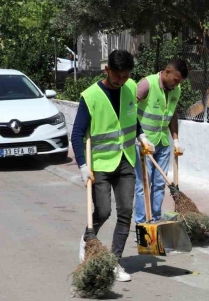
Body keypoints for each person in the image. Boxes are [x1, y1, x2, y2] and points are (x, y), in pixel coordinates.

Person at [71, 50, 155, 282]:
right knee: (104, 211)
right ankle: (88, 239)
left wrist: (142, 136)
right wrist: (82, 165)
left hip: (126, 159)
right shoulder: (90, 96)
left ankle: (114, 263)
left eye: (126, 76)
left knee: (126, 211)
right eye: (117, 75)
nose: (121, 81)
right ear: (107, 70)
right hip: (100, 163)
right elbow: (77, 134)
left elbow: (131, 118)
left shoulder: (130, 88)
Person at [134, 58, 188, 224]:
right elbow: (128, 109)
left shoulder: (176, 89)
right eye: (175, 80)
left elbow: (172, 114)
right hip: (144, 144)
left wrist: (176, 140)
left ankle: (155, 220)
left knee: (159, 184)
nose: (177, 84)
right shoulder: (146, 84)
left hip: (163, 142)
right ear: (167, 72)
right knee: (143, 184)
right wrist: (140, 136)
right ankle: (142, 223)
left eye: (180, 82)